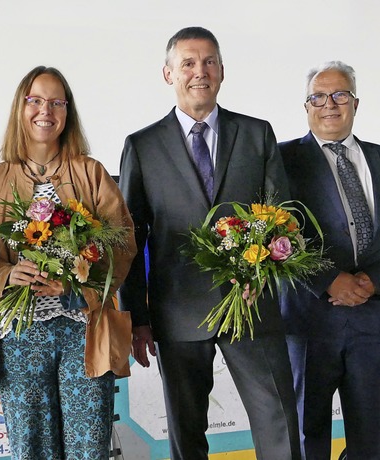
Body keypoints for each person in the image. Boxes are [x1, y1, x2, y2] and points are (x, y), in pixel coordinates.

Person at [118, 26, 301, 459]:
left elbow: (284, 218)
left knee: (279, 421)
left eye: (209, 62)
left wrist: (265, 273)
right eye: (188, 63)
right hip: (177, 312)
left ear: (222, 71)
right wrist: (135, 317)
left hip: (252, 305)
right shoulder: (141, 146)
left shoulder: (256, 134)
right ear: (168, 74)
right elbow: (131, 237)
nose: (200, 72)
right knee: (186, 433)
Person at [0, 65, 137, 459]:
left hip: (84, 331)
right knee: (31, 448)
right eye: (35, 101)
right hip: (20, 334)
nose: (45, 111)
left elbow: (121, 244)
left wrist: (74, 285)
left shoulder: (91, 173)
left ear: (67, 113)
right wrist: (7, 274)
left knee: (89, 448)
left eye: (56, 102)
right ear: (21, 109)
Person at [279, 61, 380, 459]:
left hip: (373, 319)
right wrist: (328, 280)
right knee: (308, 433)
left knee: (373, 437)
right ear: (306, 106)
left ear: (355, 102)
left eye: (340, 95)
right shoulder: (282, 160)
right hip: (309, 320)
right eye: (318, 96)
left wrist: (373, 279)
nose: (330, 104)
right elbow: (278, 233)